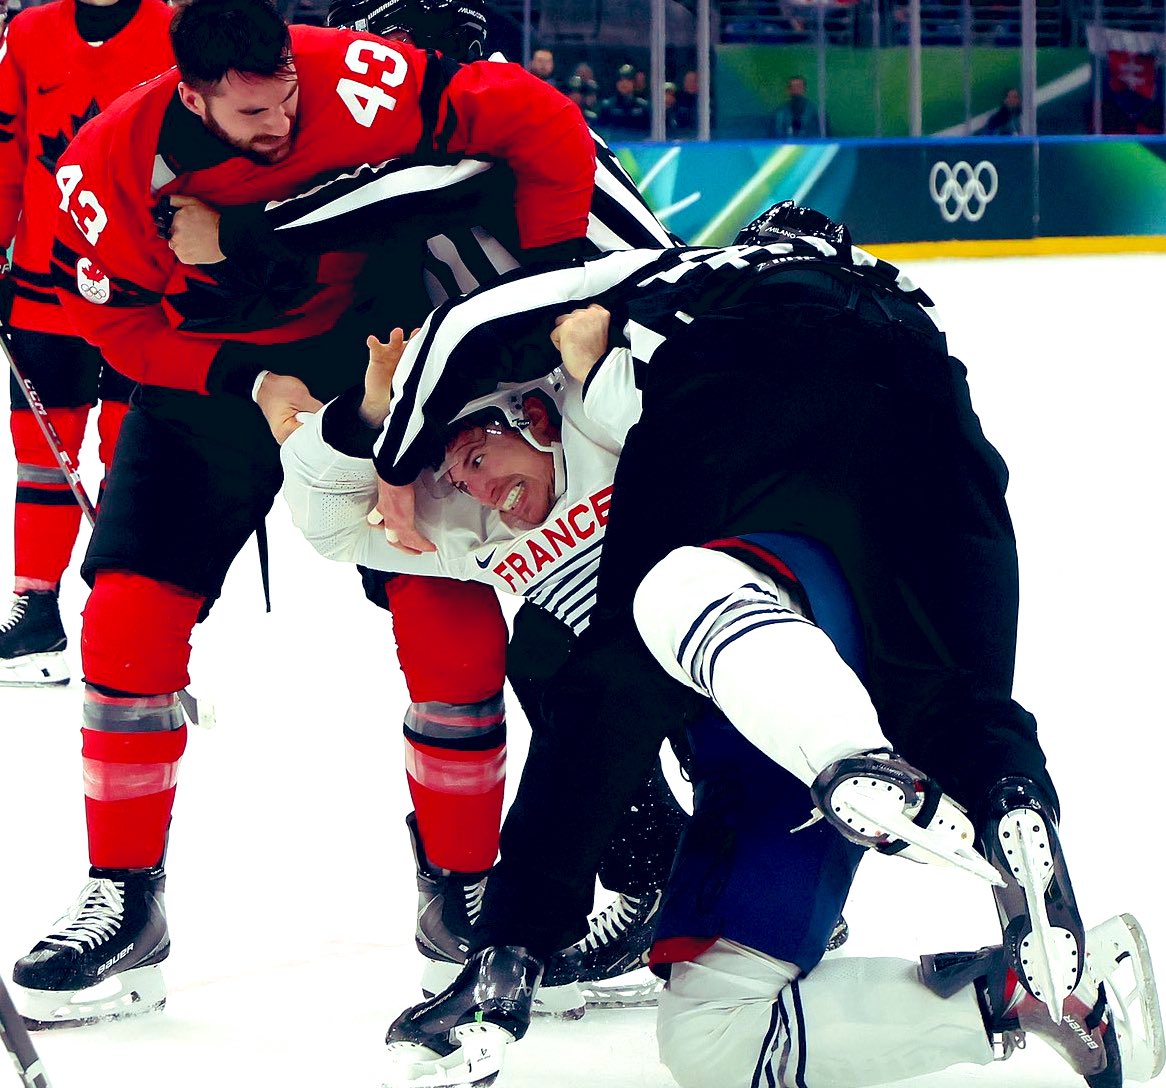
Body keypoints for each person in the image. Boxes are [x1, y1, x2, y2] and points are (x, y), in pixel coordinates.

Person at [276, 202, 1152, 1087]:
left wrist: (513, 939)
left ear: (525, 414)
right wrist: (364, 420)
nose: (478, 489)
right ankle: (1039, 996)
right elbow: (323, 521)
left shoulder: (603, 405)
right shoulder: (464, 526)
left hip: (772, 649)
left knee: (665, 597)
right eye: (452, 476)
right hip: (733, 755)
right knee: (714, 1046)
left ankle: (851, 761)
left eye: (474, 454)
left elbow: (591, 346)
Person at [7, 0, 606, 1029]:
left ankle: (461, 894)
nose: (280, 120)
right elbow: (116, 327)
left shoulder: (358, 78)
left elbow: (538, 117)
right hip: (208, 386)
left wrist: (549, 281)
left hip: (374, 364)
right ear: (191, 94)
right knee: (125, 622)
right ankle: (126, 894)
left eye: (285, 91)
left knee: (448, 621)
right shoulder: (109, 168)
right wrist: (250, 378)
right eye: (250, 112)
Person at [165, 0, 686, 1009]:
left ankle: (746, 870)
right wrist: (383, 437)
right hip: (556, 410)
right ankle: (664, 871)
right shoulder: (413, 159)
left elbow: (407, 197)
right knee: (564, 651)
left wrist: (234, 230)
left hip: (629, 392)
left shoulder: (484, 131)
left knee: (680, 633)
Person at [0, 0, 174, 686]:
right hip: (45, 284)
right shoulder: (31, 33)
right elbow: (7, 149)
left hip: (143, 285)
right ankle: (36, 608)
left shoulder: (171, 31)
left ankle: (127, 612)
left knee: (134, 448)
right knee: (43, 451)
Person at [598, 63, 649, 138]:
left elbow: (649, 132)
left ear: (634, 83)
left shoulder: (643, 106)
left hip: (638, 146)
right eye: (621, 80)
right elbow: (601, 131)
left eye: (628, 80)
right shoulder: (608, 106)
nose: (624, 83)